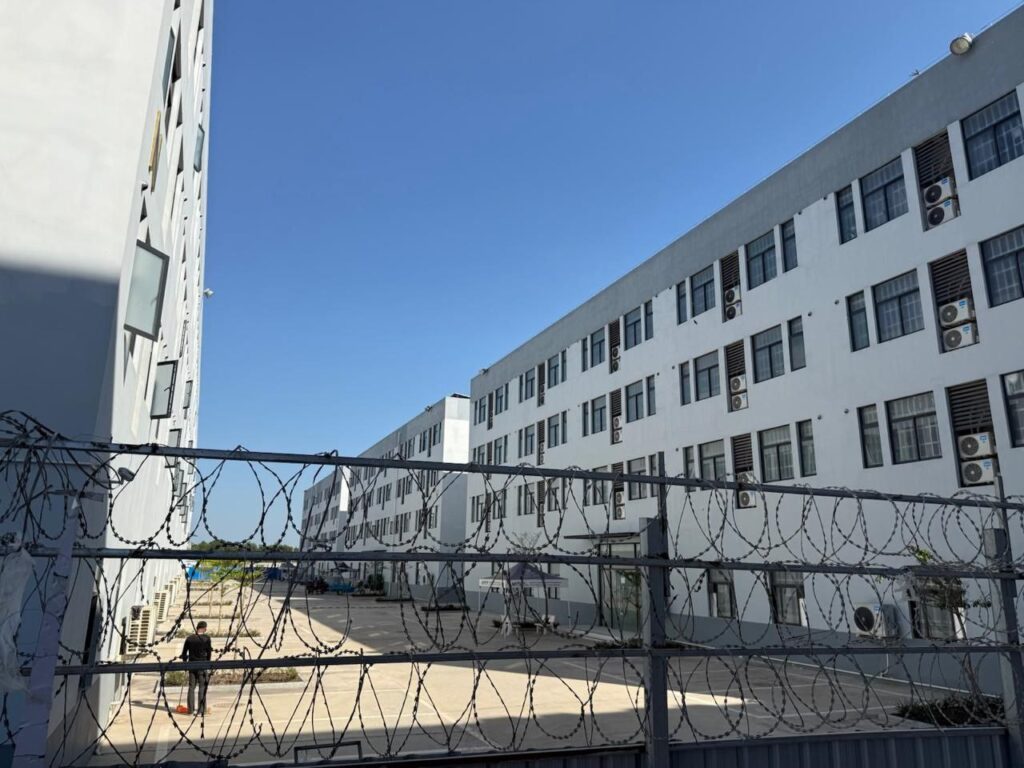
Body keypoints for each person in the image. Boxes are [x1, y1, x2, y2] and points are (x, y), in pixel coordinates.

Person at [180, 621, 213, 715]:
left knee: (191, 687)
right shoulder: (206, 639)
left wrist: (185, 665)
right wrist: (208, 663)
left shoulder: (189, 639)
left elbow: (184, 653)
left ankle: (190, 710)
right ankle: (201, 710)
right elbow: (209, 652)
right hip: (202, 665)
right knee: (202, 687)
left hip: (191, 665)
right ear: (204, 628)